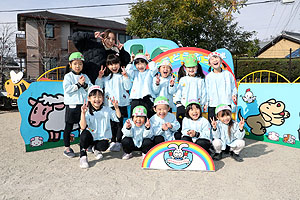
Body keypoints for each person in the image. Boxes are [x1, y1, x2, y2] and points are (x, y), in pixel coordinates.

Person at [95, 54, 132, 152]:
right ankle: (112, 140)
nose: (114, 66)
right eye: (111, 64)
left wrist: (125, 76)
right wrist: (99, 76)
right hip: (110, 104)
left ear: (119, 64)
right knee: (111, 123)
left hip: (122, 103)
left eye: (116, 63)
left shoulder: (122, 76)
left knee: (120, 123)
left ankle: (119, 141)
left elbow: (128, 87)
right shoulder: (105, 78)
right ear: (107, 65)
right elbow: (98, 86)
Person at [79, 85, 121, 169]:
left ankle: (96, 149)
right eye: (94, 97)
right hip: (91, 136)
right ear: (89, 98)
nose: (97, 99)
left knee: (104, 146)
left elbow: (118, 117)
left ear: (103, 98)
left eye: (99, 97)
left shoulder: (107, 109)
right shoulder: (87, 111)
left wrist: (116, 108)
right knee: (84, 134)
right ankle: (83, 156)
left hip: (101, 137)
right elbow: (83, 126)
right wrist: (83, 113)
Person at [63, 52, 92, 158]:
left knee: (84, 126)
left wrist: (84, 85)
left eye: (80, 64)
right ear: (70, 65)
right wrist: (78, 84)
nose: (78, 66)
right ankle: (67, 148)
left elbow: (91, 89)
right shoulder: (68, 76)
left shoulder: (85, 76)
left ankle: (85, 145)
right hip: (72, 105)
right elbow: (67, 89)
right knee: (68, 127)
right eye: (75, 63)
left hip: (83, 106)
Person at [174, 54, 207, 136]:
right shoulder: (183, 79)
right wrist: (178, 103)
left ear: (197, 67)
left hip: (195, 107)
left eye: (193, 67)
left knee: (195, 123)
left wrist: (203, 104)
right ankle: (184, 139)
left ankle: (195, 139)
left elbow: (203, 94)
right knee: (182, 124)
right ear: (185, 68)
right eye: (189, 67)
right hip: (183, 106)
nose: (191, 69)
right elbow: (179, 92)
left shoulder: (200, 80)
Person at [205, 51, 237, 123]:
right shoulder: (208, 77)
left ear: (221, 60)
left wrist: (234, 95)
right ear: (209, 63)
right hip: (213, 104)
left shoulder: (228, 74)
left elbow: (233, 87)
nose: (215, 60)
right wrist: (206, 103)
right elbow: (206, 91)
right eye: (212, 59)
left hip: (226, 102)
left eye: (216, 58)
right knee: (213, 124)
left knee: (227, 123)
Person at [125, 53, 157, 118]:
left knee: (148, 117)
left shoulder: (149, 72)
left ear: (146, 63)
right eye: (137, 64)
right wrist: (131, 61)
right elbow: (128, 71)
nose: (140, 66)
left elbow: (154, 69)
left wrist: (149, 59)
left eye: (142, 63)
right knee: (134, 117)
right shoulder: (135, 73)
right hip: (135, 98)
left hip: (147, 98)